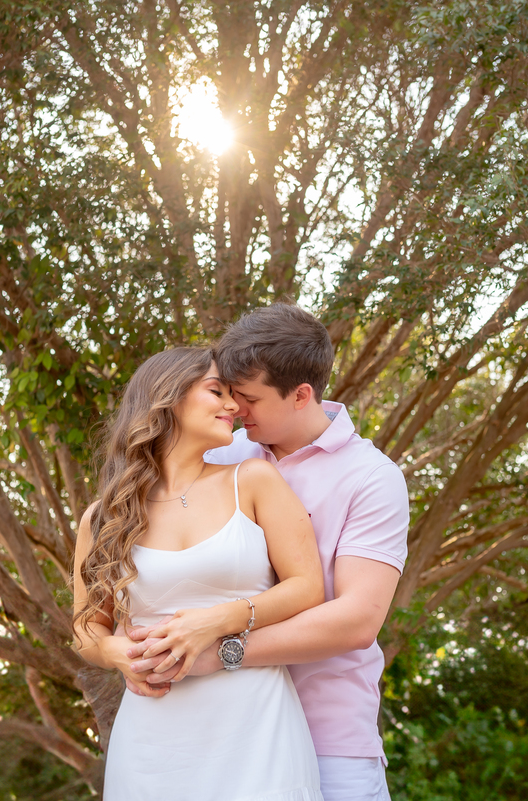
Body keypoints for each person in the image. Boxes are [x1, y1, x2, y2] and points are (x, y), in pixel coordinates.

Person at [127, 304, 410, 801]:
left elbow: (358, 619)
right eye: (229, 395)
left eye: (250, 398)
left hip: (330, 740)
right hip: (214, 731)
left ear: (302, 395)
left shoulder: (372, 478)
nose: (235, 409)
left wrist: (222, 652)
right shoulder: (219, 456)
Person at [72, 346, 327, 801]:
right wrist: (118, 653)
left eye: (235, 395)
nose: (234, 406)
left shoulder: (252, 480)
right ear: (166, 396)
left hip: (257, 732)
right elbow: (87, 629)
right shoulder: (102, 518)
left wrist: (216, 621)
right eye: (218, 391)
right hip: (152, 745)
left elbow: (308, 588)